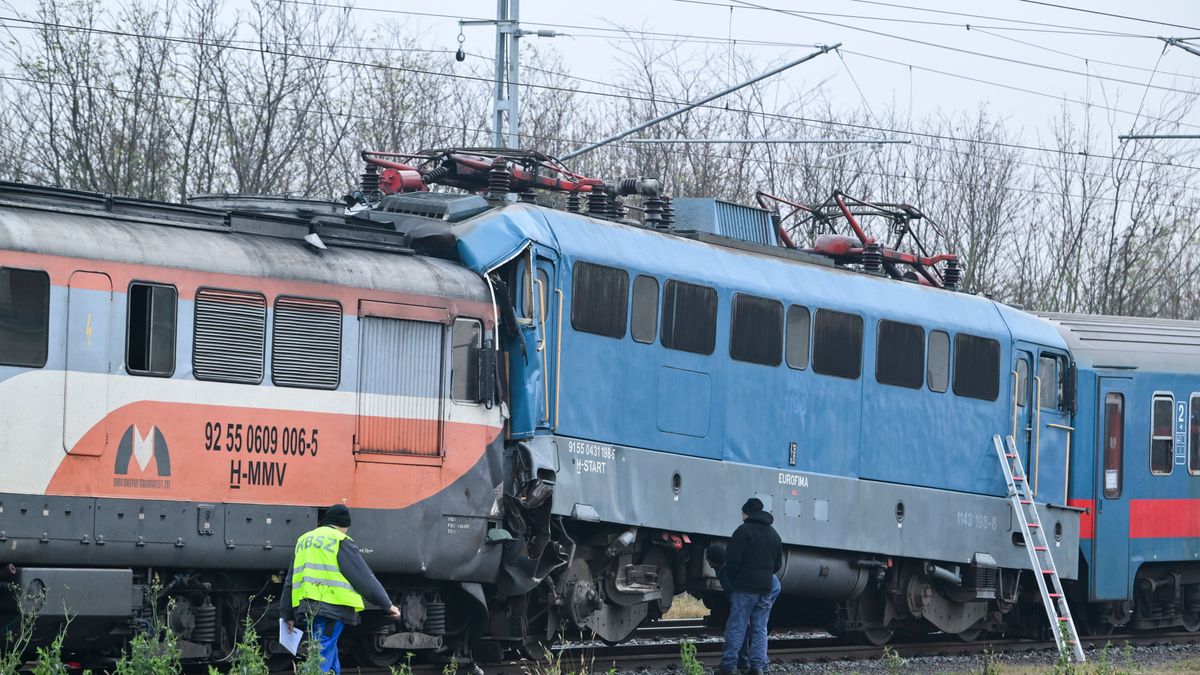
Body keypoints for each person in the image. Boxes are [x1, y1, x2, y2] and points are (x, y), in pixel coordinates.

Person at [281, 504, 401, 674]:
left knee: (329, 652)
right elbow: (363, 577)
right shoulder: (339, 540)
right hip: (332, 609)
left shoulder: (304, 540)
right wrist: (387, 605)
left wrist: (287, 614)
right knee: (321, 656)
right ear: (344, 525)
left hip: (307, 608)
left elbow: (289, 580)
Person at [716, 498, 783, 675]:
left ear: (746, 513)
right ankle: (758, 667)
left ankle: (729, 666)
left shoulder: (742, 531)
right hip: (765, 589)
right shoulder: (774, 535)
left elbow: (732, 561)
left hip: (744, 589)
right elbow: (777, 565)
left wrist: (736, 578)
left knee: (737, 626)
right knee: (760, 628)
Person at [707, 543, 782, 674]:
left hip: (767, 588)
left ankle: (749, 663)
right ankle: (757, 665)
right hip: (769, 585)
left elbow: (733, 595)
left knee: (745, 626)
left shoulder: (726, 572)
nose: (708, 564)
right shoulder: (727, 567)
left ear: (713, 560)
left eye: (708, 560)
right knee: (756, 627)